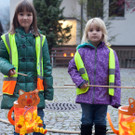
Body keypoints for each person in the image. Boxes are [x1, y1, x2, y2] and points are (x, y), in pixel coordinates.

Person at [0, 0, 53, 135]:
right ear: (16, 17)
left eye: (28, 14)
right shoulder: (7, 38)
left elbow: (47, 66)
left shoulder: (41, 39)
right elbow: (0, 57)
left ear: (33, 17)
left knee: (38, 125)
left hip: (36, 91)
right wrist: (7, 68)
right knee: (19, 127)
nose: (25, 18)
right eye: (21, 14)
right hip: (17, 91)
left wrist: (49, 91)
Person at [68, 17, 121, 135]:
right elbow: (72, 68)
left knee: (101, 121)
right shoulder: (81, 52)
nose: (94, 32)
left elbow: (116, 76)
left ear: (103, 33)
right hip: (85, 95)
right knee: (86, 120)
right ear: (87, 33)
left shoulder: (110, 53)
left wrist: (116, 98)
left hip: (103, 96)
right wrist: (80, 81)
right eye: (91, 30)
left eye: (98, 30)